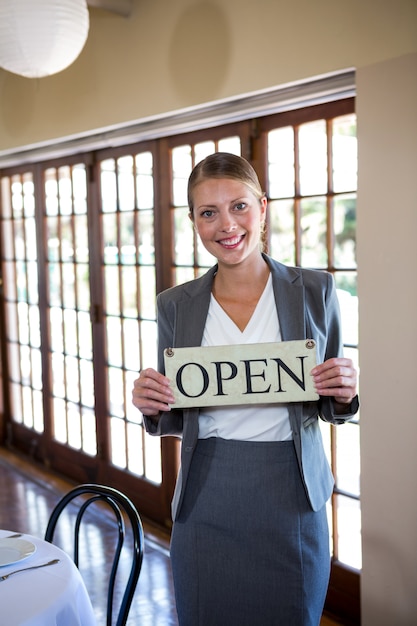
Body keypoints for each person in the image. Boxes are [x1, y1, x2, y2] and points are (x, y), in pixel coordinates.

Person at [132, 152, 359, 626]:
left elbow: (331, 403)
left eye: (239, 206)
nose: (226, 225)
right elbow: (177, 409)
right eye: (207, 212)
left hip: (291, 490)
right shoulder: (175, 305)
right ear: (193, 220)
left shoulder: (315, 289)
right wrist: (152, 403)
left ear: (262, 208)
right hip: (206, 491)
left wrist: (343, 391)